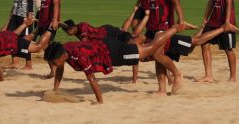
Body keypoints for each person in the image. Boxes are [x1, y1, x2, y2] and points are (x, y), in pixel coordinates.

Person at [45, 22, 238, 103]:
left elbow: (92, 79)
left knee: (153, 49)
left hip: (114, 52)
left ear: (62, 56)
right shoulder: (66, 49)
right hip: (110, 47)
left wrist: (100, 102)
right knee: (152, 50)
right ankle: (171, 39)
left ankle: (175, 28)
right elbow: (61, 69)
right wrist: (56, 87)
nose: (55, 66)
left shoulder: (77, 55)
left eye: (54, 63)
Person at [61, 10, 145, 83]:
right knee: (125, 32)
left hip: (108, 32)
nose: (67, 33)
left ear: (72, 28)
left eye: (67, 31)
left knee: (132, 45)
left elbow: (85, 43)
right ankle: (134, 14)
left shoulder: (82, 27)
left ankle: (134, 79)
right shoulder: (76, 31)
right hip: (105, 36)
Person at [141, 0, 185, 94]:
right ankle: (161, 89)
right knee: (155, 55)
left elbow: (176, 1)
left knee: (158, 54)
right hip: (152, 24)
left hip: (164, 24)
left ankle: (177, 73)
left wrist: (181, 19)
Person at [197, 0, 237, 83]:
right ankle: (208, 75)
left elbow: (229, 2)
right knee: (204, 43)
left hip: (225, 22)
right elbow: (210, 2)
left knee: (228, 49)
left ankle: (233, 76)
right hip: (213, 21)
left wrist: (226, 22)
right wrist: (205, 18)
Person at [1, 0, 35, 70]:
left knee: (25, 39)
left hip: (25, 14)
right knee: (11, 36)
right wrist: (12, 11)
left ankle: (28, 64)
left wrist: (30, 14)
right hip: (16, 12)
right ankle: (14, 62)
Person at [33, 0, 61, 78]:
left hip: (51, 22)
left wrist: (55, 20)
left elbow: (56, 4)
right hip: (43, 22)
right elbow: (42, 7)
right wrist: (38, 22)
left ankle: (58, 66)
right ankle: (54, 71)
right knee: (46, 48)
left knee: (40, 45)